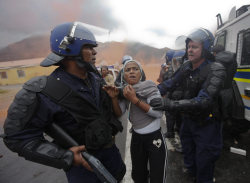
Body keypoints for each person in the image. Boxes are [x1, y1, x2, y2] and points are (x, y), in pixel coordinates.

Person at [3, 22, 126, 183]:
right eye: (88, 47)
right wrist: (64, 156)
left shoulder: (94, 78)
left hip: (113, 162)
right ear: (70, 50)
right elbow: (16, 137)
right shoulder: (43, 90)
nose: (94, 52)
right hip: (85, 171)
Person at [150, 28, 227, 183]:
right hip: (188, 121)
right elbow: (170, 83)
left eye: (195, 47)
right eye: (189, 47)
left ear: (205, 48)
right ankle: (191, 174)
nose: (190, 50)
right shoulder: (186, 66)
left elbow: (203, 101)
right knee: (189, 156)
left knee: (204, 161)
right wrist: (149, 92)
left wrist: (169, 104)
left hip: (207, 124)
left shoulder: (216, 69)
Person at [103, 60, 167, 183]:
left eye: (135, 69)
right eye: (127, 70)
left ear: (141, 73)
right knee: (138, 175)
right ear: (123, 75)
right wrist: (114, 98)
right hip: (137, 138)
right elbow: (119, 112)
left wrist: (134, 99)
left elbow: (158, 113)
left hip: (154, 138)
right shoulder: (124, 91)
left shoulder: (150, 86)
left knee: (157, 176)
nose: (131, 71)